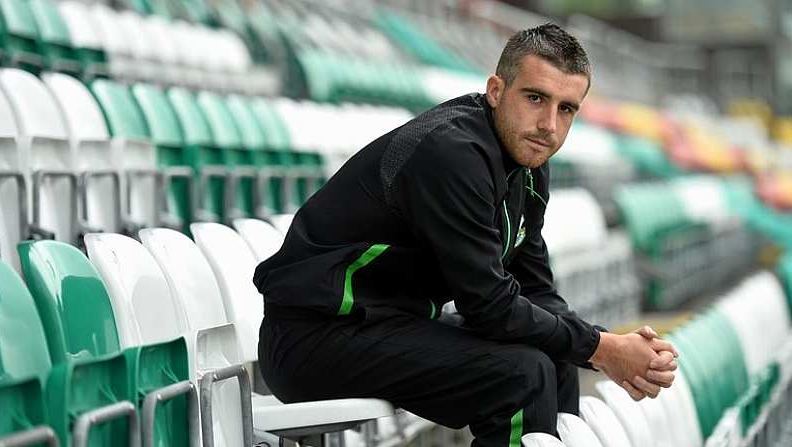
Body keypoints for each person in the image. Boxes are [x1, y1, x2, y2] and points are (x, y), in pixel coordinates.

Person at [254, 23, 677, 446]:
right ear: (496, 91)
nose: (549, 124)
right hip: (315, 339)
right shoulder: (452, 153)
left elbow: (535, 290)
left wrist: (609, 344)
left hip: (389, 326)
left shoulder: (527, 164)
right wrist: (603, 349)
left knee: (555, 356)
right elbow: (490, 307)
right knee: (522, 377)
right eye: (535, 98)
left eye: (566, 109)